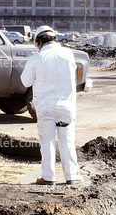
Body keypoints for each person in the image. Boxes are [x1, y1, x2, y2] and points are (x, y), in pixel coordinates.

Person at [20, 25, 83, 185]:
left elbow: (25, 81)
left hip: (46, 108)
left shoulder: (36, 58)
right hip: (66, 107)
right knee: (67, 141)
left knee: (47, 142)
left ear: (39, 41)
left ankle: (48, 177)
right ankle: (72, 176)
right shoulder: (68, 54)